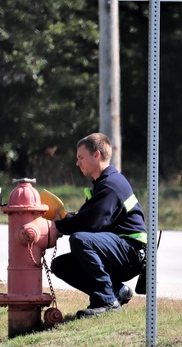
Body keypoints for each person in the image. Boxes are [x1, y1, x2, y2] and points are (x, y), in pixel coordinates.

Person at [52, 133, 147, 318]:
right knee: (61, 265)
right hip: (120, 249)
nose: (77, 163)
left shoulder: (110, 185)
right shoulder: (102, 183)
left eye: (81, 157)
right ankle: (117, 291)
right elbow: (87, 217)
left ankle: (107, 302)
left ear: (96, 155)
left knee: (81, 240)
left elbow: (90, 223)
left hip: (132, 251)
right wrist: (63, 220)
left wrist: (59, 226)